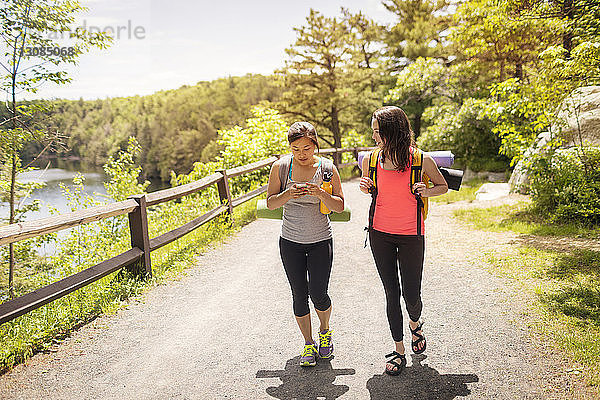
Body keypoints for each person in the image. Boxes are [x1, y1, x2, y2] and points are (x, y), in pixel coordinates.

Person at [359, 106, 448, 376]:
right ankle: (398, 349)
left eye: (378, 132)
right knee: (391, 293)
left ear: (392, 132)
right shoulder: (371, 161)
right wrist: (366, 187)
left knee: (412, 295)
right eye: (373, 131)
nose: (374, 137)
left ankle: (415, 322)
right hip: (379, 233)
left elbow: (442, 186)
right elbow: (372, 189)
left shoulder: (421, 160)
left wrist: (427, 190)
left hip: (411, 234)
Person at [266, 121, 345, 367]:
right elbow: (270, 203)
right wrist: (288, 194)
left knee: (319, 294)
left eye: (307, 149)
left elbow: (340, 205)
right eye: (296, 148)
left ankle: (325, 331)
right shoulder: (280, 167)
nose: (302, 154)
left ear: (315, 146)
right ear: (290, 147)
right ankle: (308, 343)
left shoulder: (327, 168)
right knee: (299, 295)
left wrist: (320, 193)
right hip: (290, 242)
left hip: (321, 240)